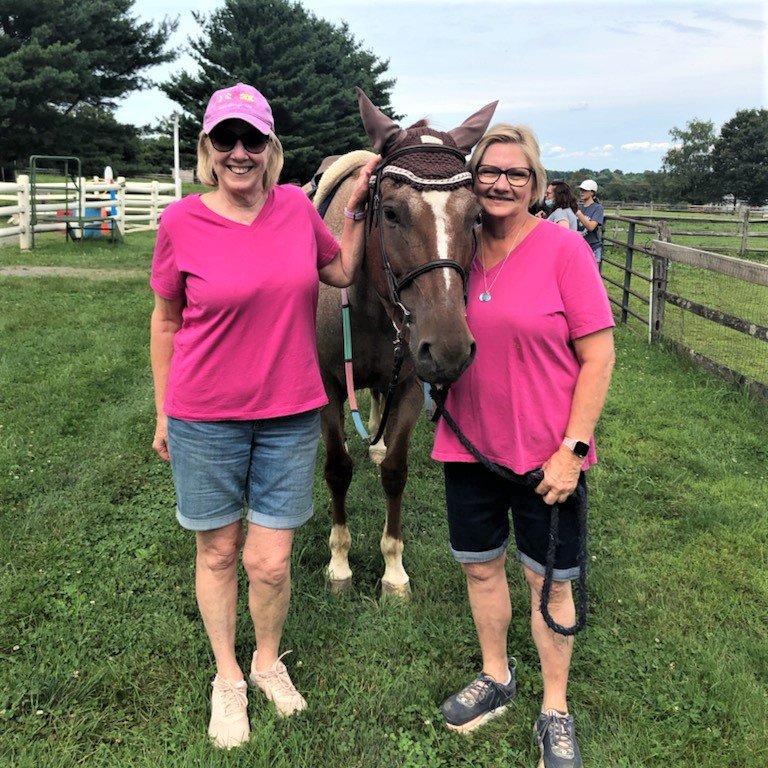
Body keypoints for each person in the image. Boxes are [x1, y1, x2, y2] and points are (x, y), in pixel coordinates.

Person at [150, 82, 378, 749]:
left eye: (253, 140)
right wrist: (164, 411)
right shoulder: (181, 223)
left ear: (271, 148)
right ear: (209, 148)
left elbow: (339, 275)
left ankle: (266, 660)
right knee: (218, 551)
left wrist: (357, 216)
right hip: (204, 416)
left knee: (271, 561)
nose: (240, 153)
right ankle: (227, 679)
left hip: (289, 415)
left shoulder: (295, 214)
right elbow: (165, 321)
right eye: (227, 139)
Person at [431, 124, 615, 768]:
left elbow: (598, 356)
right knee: (481, 568)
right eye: (489, 172)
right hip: (469, 448)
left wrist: (573, 448)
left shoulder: (563, 251)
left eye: (515, 174)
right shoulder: (454, 251)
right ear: (472, 181)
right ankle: (497, 676)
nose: (500, 183)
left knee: (549, 584)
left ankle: (555, 708)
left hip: (547, 458)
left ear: (536, 185)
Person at [576, 179, 605, 263]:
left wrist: (579, 214)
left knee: (592, 275)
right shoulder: (579, 207)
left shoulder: (597, 208)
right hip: (579, 246)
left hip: (592, 247)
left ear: (592, 192)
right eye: (581, 190)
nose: (582, 192)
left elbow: (591, 227)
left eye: (585, 190)